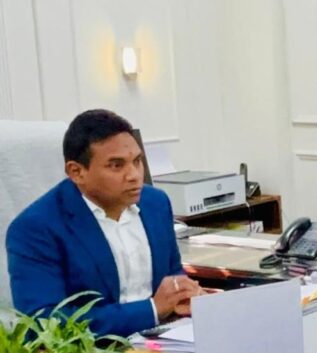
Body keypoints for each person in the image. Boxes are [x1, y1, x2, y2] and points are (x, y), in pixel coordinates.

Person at [6, 109, 200, 337]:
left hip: (169, 339)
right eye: (116, 165)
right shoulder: (36, 228)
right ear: (76, 172)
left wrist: (185, 295)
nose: (134, 175)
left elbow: (172, 274)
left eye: (137, 161)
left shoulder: (155, 204)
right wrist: (151, 310)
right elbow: (45, 323)